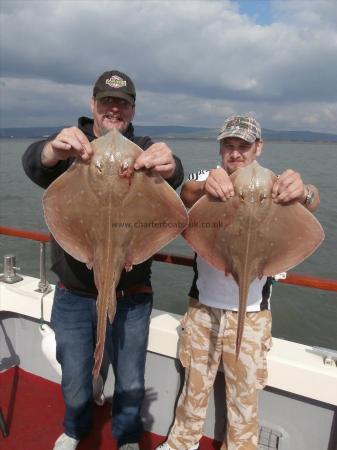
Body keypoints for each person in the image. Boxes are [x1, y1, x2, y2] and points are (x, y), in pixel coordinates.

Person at [22, 70, 184, 450]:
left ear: (131, 110)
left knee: (129, 378)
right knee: (76, 376)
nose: (114, 108)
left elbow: (174, 174)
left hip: (133, 293)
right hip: (74, 293)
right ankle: (76, 427)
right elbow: (34, 164)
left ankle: (126, 437)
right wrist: (52, 150)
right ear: (93, 105)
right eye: (107, 102)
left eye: (122, 103)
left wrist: (171, 163)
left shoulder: (141, 147)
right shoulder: (73, 151)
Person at [157, 115, 320, 450]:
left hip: (252, 313)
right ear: (220, 148)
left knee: (244, 404)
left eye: (243, 146)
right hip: (203, 310)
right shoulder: (207, 177)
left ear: (258, 148)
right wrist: (205, 186)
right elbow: (186, 191)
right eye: (228, 146)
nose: (235, 154)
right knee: (193, 393)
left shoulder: (274, 185)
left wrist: (303, 191)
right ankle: (180, 445)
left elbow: (313, 200)